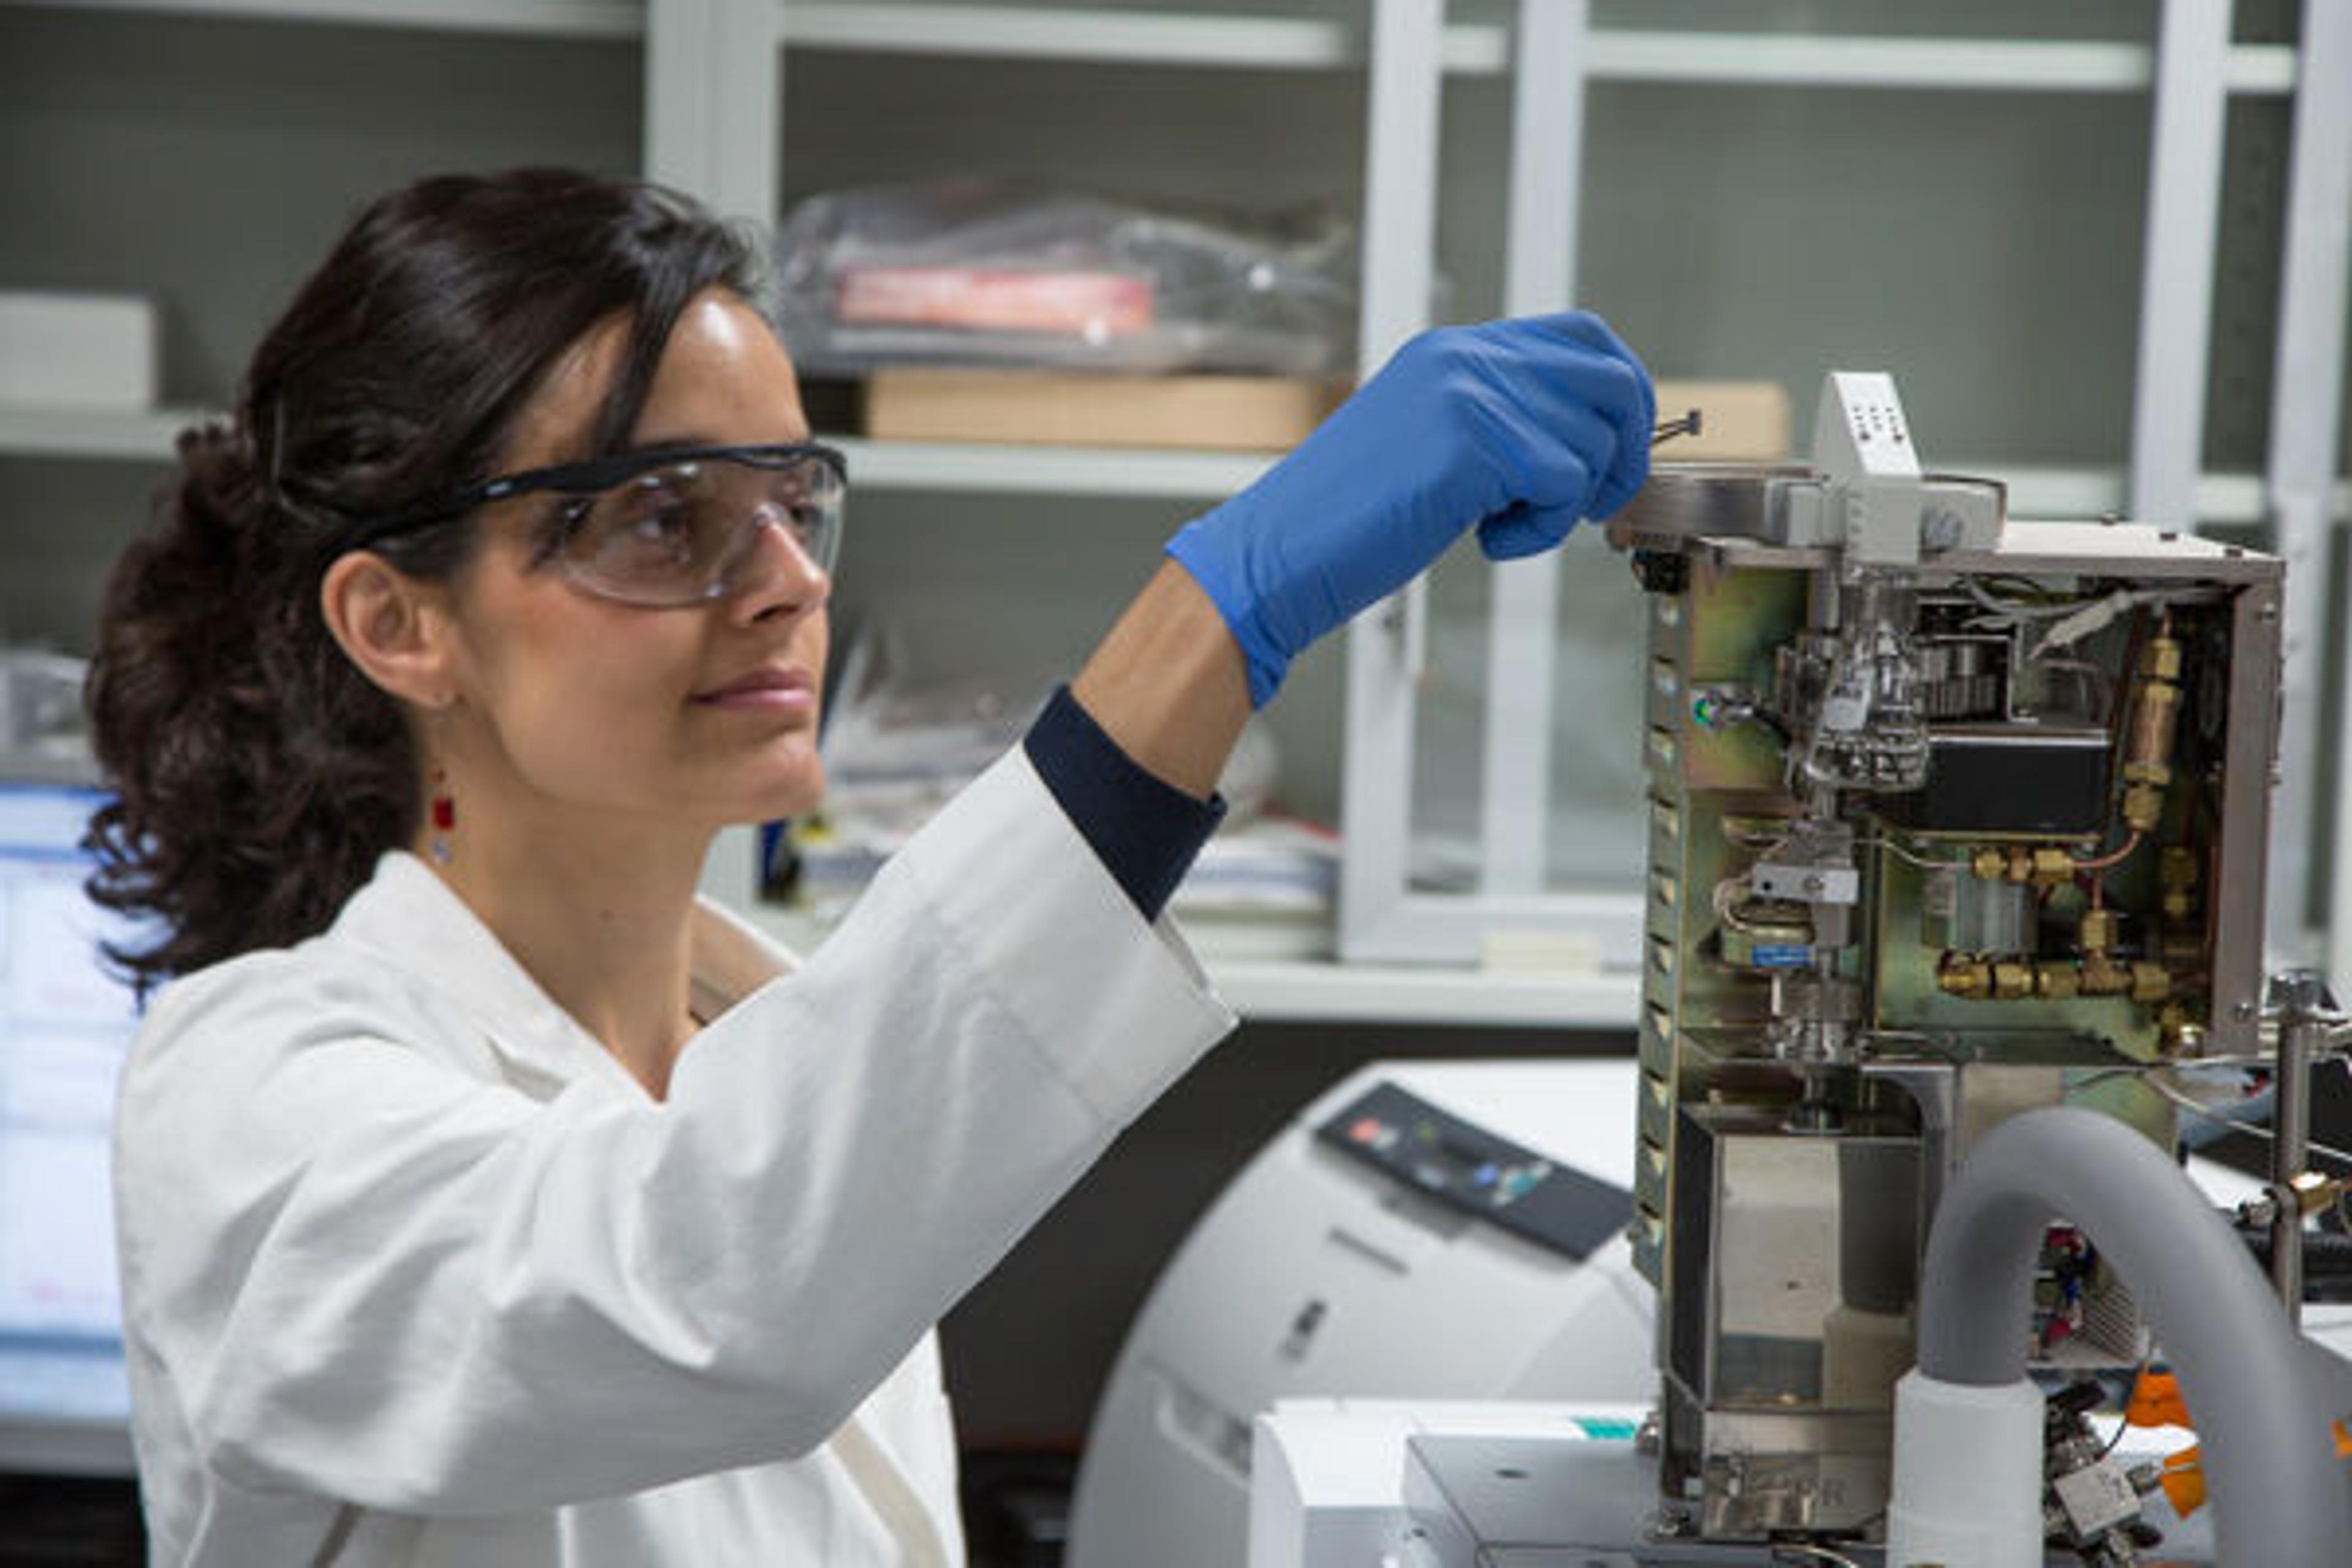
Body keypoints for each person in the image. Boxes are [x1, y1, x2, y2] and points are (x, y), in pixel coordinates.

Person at [87, 168, 1653, 1567]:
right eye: (657, 516)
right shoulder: (247, 1097)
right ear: (400, 624)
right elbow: (705, 1280)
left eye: (790, 497)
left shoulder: (786, 1043)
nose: (782, 581)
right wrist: (1215, 615)